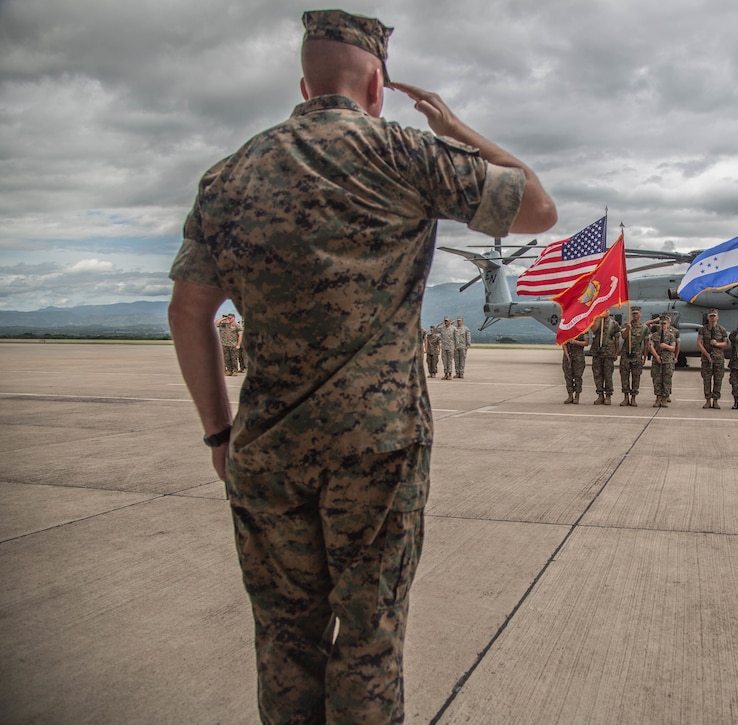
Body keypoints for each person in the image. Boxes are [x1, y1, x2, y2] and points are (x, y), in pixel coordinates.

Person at [167, 10, 556, 723]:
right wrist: (457, 128)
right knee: (370, 640)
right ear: (377, 82)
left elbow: (188, 313)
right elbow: (537, 207)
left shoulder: (229, 176)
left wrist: (220, 436)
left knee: (285, 639)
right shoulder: (407, 155)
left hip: (266, 449)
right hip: (377, 449)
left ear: (303, 82)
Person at [618, 306, 650, 406]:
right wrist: (628, 329)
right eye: (633, 313)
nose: (635, 315)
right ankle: (626, 397)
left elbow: (645, 344)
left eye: (637, 313)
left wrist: (645, 357)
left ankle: (633, 397)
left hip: (637, 355)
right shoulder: (626, 325)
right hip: (626, 354)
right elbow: (623, 337)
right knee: (624, 376)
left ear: (640, 314)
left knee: (636, 376)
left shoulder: (644, 328)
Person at [697, 309, 729, 408]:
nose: (712, 318)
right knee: (706, 380)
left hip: (718, 358)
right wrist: (706, 354)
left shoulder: (721, 330)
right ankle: (707, 400)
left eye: (714, 316)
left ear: (717, 317)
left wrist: (717, 344)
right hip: (707, 359)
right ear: (708, 317)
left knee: (718, 380)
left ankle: (715, 400)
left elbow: (726, 344)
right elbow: (699, 343)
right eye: (711, 316)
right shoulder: (703, 329)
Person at [589, 313, 620, 404]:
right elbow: (593, 330)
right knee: (597, 374)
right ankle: (600, 395)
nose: (605, 312)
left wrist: (616, 352)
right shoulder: (596, 321)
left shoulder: (614, 324)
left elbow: (617, 339)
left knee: (608, 375)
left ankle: (608, 396)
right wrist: (598, 318)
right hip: (597, 351)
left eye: (606, 310)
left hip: (608, 352)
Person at [649, 313, 677, 407]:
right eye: (661, 323)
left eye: (664, 323)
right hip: (657, 360)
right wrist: (656, 356)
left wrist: (666, 346)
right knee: (657, 380)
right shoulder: (655, 335)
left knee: (666, 380)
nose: (663, 325)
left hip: (667, 360)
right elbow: (651, 346)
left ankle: (665, 398)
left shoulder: (671, 336)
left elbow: (673, 348)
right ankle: (658, 398)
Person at [562, 331, 589, 404]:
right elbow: (563, 342)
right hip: (568, 356)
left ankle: (577, 396)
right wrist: (566, 354)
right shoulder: (567, 328)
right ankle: (570, 396)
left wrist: (575, 342)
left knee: (578, 376)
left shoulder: (584, 329)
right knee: (568, 376)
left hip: (578, 356)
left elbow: (586, 343)